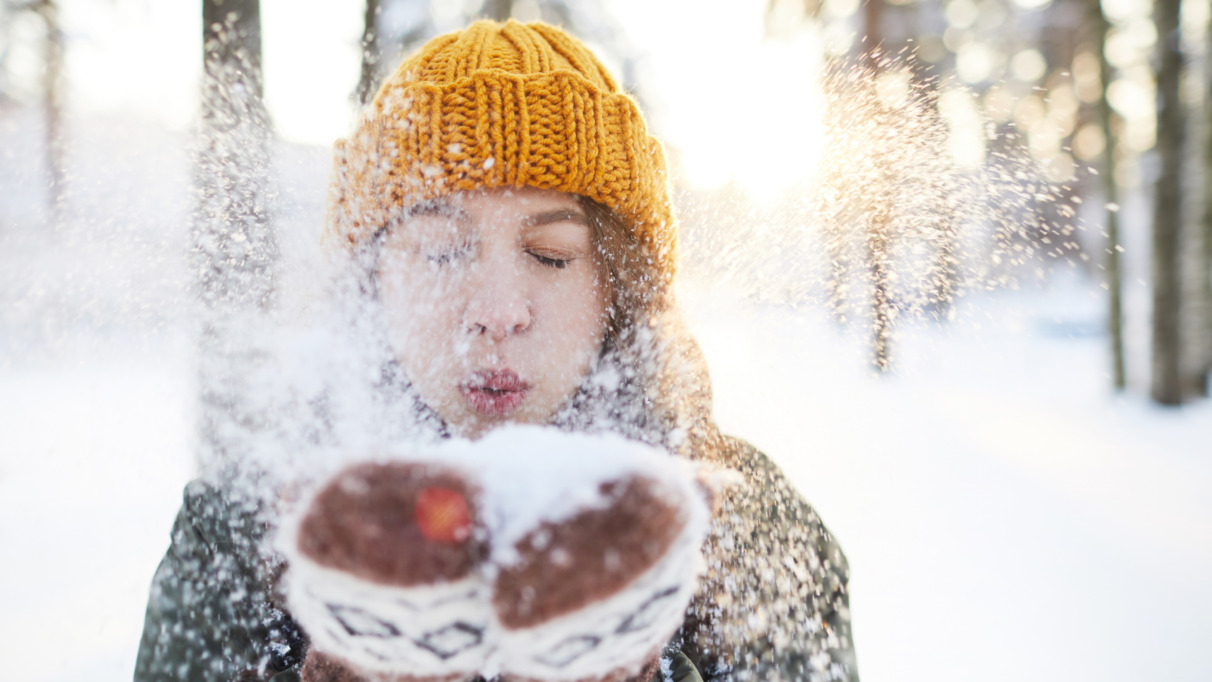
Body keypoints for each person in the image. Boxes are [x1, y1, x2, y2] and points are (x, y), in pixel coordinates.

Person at [135, 19, 858, 682]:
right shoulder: (246, 526)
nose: (497, 314)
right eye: (443, 249)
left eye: (550, 254)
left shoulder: (738, 521)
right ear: (371, 285)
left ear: (620, 287)